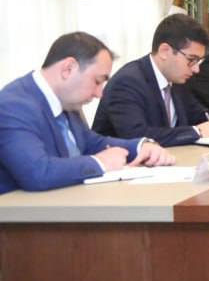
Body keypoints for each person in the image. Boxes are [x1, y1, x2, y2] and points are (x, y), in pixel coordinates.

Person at [0, 32, 175, 194]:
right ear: (68, 69)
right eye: (97, 81)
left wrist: (141, 147)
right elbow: (38, 173)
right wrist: (100, 162)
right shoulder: (12, 106)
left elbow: (92, 143)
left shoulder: (67, 102)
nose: (99, 94)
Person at [92, 14, 209, 147]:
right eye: (192, 60)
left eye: (199, 61)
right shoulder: (127, 82)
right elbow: (137, 136)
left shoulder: (177, 80)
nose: (196, 69)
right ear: (164, 51)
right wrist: (197, 132)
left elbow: (199, 114)